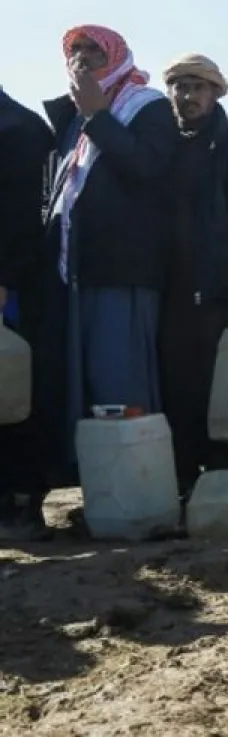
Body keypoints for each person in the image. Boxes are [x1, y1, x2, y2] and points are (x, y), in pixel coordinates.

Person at [40, 25, 176, 480]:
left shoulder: (146, 105)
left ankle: (134, 481)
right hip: (79, 273)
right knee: (86, 386)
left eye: (92, 51)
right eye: (74, 50)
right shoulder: (76, 117)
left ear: (115, 56)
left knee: (121, 382)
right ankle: (99, 485)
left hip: (124, 272)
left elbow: (148, 167)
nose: (81, 58)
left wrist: (99, 117)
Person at [157, 54, 228, 495]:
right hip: (171, 291)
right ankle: (184, 482)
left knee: (225, 390)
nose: (187, 97)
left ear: (215, 94)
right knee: (177, 390)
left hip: (220, 292)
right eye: (180, 87)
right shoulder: (163, 141)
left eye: (197, 88)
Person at [0, 86, 59, 539]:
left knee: (15, 394)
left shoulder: (18, 131)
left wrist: (5, 280)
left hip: (14, 289)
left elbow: (20, 220)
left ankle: (23, 503)